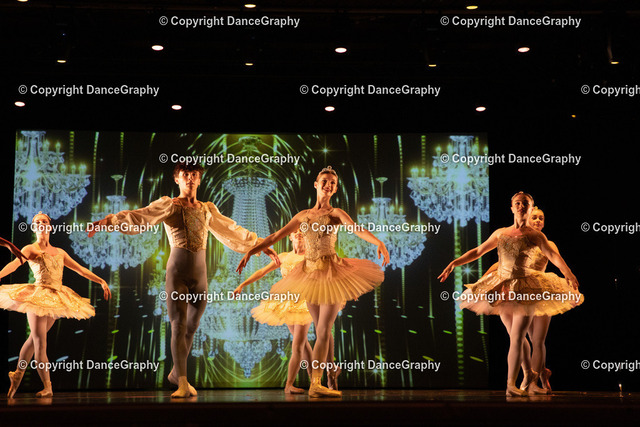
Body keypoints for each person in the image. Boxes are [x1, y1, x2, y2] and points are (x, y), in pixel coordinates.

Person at [89, 163, 279, 398]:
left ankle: (175, 373)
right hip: (177, 275)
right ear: (177, 179)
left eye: (194, 175)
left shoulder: (207, 209)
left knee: (192, 327)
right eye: (185, 175)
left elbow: (232, 230)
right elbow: (141, 216)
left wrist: (260, 245)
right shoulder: (170, 205)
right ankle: (182, 382)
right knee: (178, 325)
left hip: (200, 278)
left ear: (199, 180)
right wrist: (108, 221)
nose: (190, 178)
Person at [237, 166, 389, 398]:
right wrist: (251, 251)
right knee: (320, 331)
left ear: (335, 189)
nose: (328, 185)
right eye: (325, 181)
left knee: (324, 330)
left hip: (331, 273)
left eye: (332, 183)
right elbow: (275, 236)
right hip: (308, 274)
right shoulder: (302, 216)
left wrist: (378, 242)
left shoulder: (336, 213)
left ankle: (317, 383)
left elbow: (356, 229)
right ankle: (322, 379)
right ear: (316, 184)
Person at [439, 192, 582, 397]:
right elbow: (479, 251)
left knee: (518, 337)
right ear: (512, 208)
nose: (521, 206)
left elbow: (552, 255)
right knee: (515, 337)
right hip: (503, 288)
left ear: (530, 208)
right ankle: (525, 376)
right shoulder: (501, 233)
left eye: (526, 203)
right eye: (518, 203)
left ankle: (512, 384)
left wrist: (568, 273)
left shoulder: (536, 236)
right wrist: (454, 263)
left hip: (525, 288)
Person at [0, 212, 111, 398]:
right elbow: (15, 264)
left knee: (32, 341)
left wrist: (101, 281)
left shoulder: (60, 252)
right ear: (34, 227)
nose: (41, 223)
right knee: (40, 343)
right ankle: (47, 387)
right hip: (37, 297)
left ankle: (17, 375)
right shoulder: (30, 249)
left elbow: (81, 270)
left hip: (55, 299)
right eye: (37, 222)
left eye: (44, 221)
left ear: (50, 226)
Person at [483, 207, 562, 393]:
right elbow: (502, 263)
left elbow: (556, 259)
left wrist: (568, 277)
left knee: (537, 339)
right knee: (516, 336)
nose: (537, 220)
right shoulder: (516, 238)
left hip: (538, 291)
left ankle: (535, 382)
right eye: (534, 217)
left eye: (541, 218)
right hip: (516, 290)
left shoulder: (547, 243)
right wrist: (485, 280)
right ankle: (531, 375)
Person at [233, 228, 314, 394]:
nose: (299, 233)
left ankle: (289, 384)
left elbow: (329, 274)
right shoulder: (283, 257)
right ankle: (315, 382)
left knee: (298, 344)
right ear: (290, 237)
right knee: (303, 343)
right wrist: (242, 284)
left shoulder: (311, 257)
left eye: (302, 232)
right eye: (295, 232)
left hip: (305, 303)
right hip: (287, 303)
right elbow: (262, 272)